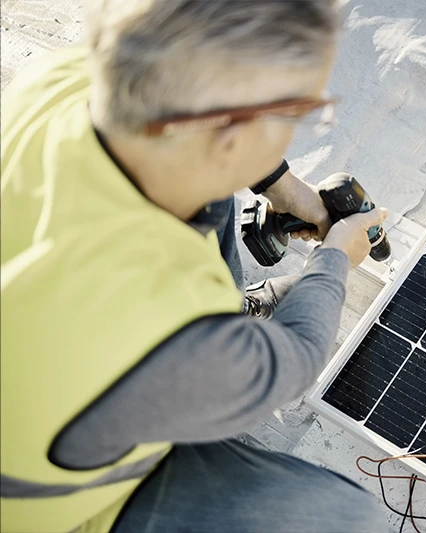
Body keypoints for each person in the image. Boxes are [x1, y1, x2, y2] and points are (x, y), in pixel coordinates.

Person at [0, 1, 389, 532]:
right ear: (230, 137)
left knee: (212, 195)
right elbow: (293, 359)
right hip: (52, 510)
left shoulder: (59, 83)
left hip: (56, 366)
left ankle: (228, 318)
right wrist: (335, 258)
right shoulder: (164, 320)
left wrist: (283, 186)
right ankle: (227, 332)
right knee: (342, 517)